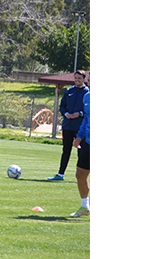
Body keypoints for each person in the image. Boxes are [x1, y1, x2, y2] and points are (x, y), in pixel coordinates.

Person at [49, 70, 89, 180]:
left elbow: (88, 111)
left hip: (80, 128)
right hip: (68, 126)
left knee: (81, 152)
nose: (77, 80)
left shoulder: (87, 93)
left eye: (79, 78)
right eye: (75, 78)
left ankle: (81, 176)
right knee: (66, 150)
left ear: (84, 79)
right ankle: (60, 174)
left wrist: (79, 114)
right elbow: (62, 106)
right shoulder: (69, 91)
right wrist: (66, 114)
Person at [69, 70, 91, 218]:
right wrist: (79, 137)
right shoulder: (88, 97)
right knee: (80, 174)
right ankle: (85, 207)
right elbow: (86, 119)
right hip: (89, 142)